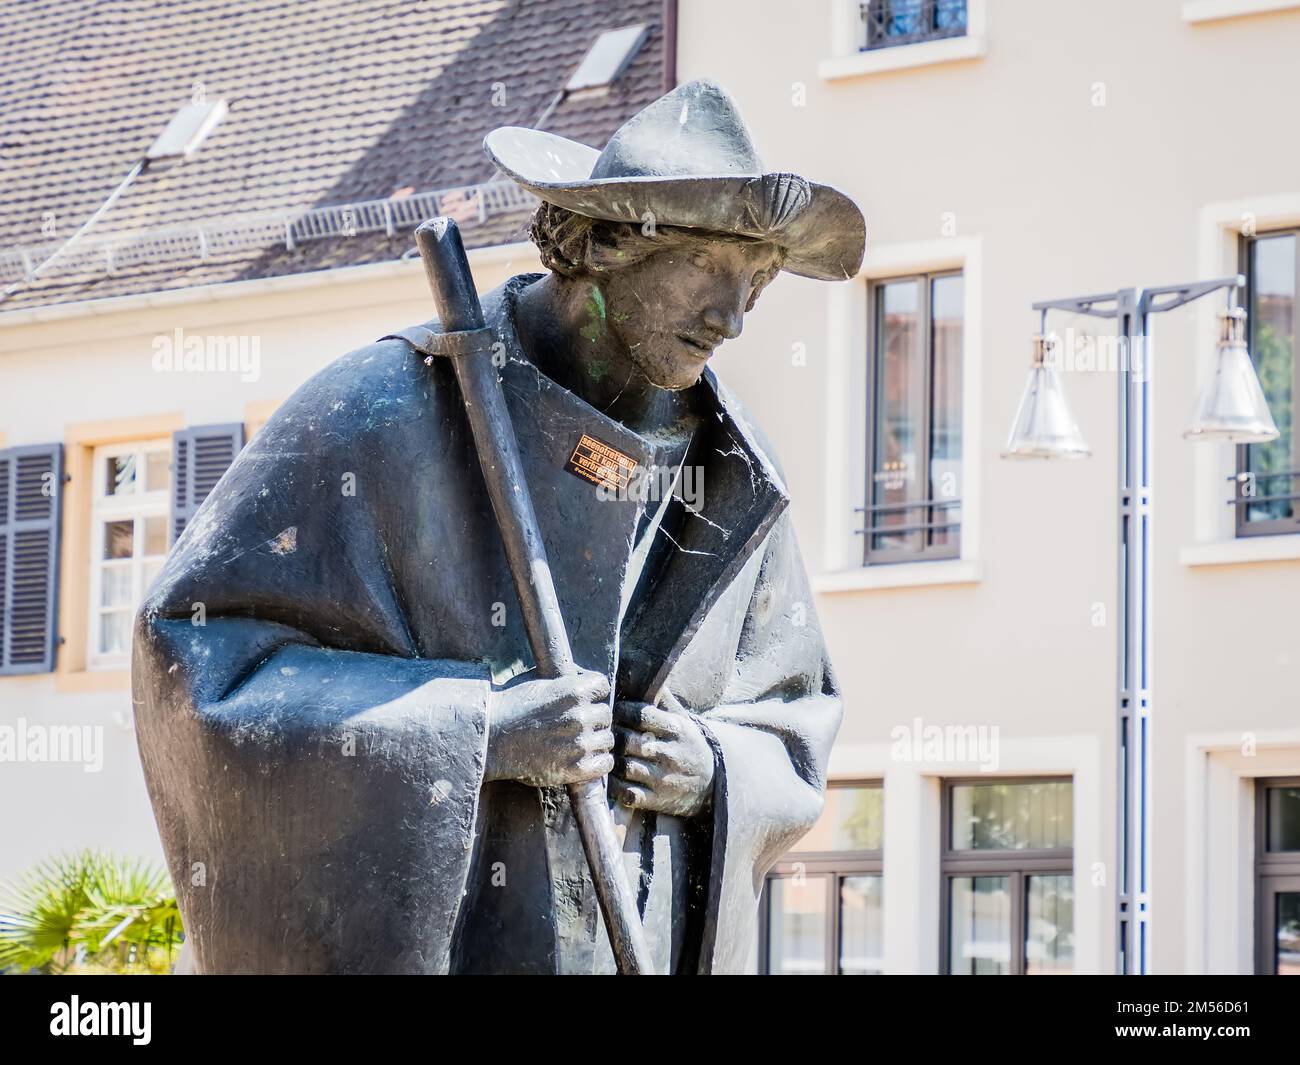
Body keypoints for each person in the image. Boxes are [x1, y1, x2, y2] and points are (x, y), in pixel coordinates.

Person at [133, 79, 865, 974]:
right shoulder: (379, 413)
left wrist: (713, 769)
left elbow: (793, 721)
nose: (734, 316)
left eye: (756, 281)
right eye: (706, 269)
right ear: (601, 244)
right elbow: (198, 669)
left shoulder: (736, 476)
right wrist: (478, 730)